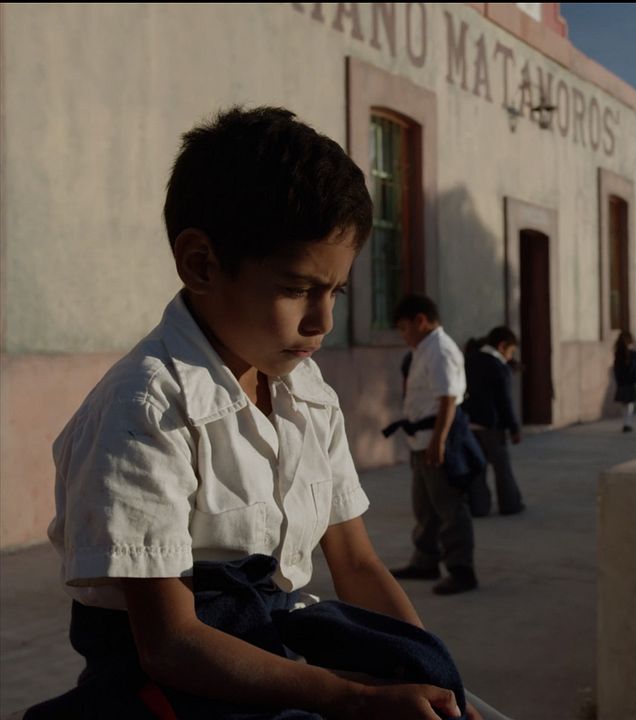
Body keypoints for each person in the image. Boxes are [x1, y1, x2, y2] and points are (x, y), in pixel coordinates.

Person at [32, 107, 488, 720]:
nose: (322, 322)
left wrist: (426, 672)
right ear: (201, 263)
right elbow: (169, 643)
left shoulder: (306, 391)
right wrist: (351, 698)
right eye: (298, 288)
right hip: (176, 684)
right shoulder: (144, 409)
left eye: (337, 292)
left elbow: (354, 561)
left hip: (279, 642)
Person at [388, 294, 480, 596]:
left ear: (421, 321)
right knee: (424, 506)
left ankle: (461, 570)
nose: (404, 336)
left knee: (450, 506)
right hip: (422, 441)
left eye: (404, 328)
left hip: (438, 440)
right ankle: (425, 561)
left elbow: (447, 399)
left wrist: (439, 442)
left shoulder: (440, 349)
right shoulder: (423, 349)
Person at [463, 326, 526, 517]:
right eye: (511, 351)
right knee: (502, 467)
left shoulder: (469, 360)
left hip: (469, 423)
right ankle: (510, 504)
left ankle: (479, 506)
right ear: (502, 346)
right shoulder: (499, 367)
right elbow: (504, 402)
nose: (510, 356)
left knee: (477, 468)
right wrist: (514, 428)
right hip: (491, 425)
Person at [612, 330, 636, 432]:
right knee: (629, 404)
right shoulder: (634, 354)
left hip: (622, 382)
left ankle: (626, 423)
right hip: (631, 382)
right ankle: (627, 423)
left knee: (624, 404)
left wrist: (618, 380)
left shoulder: (618, 354)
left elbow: (616, 369)